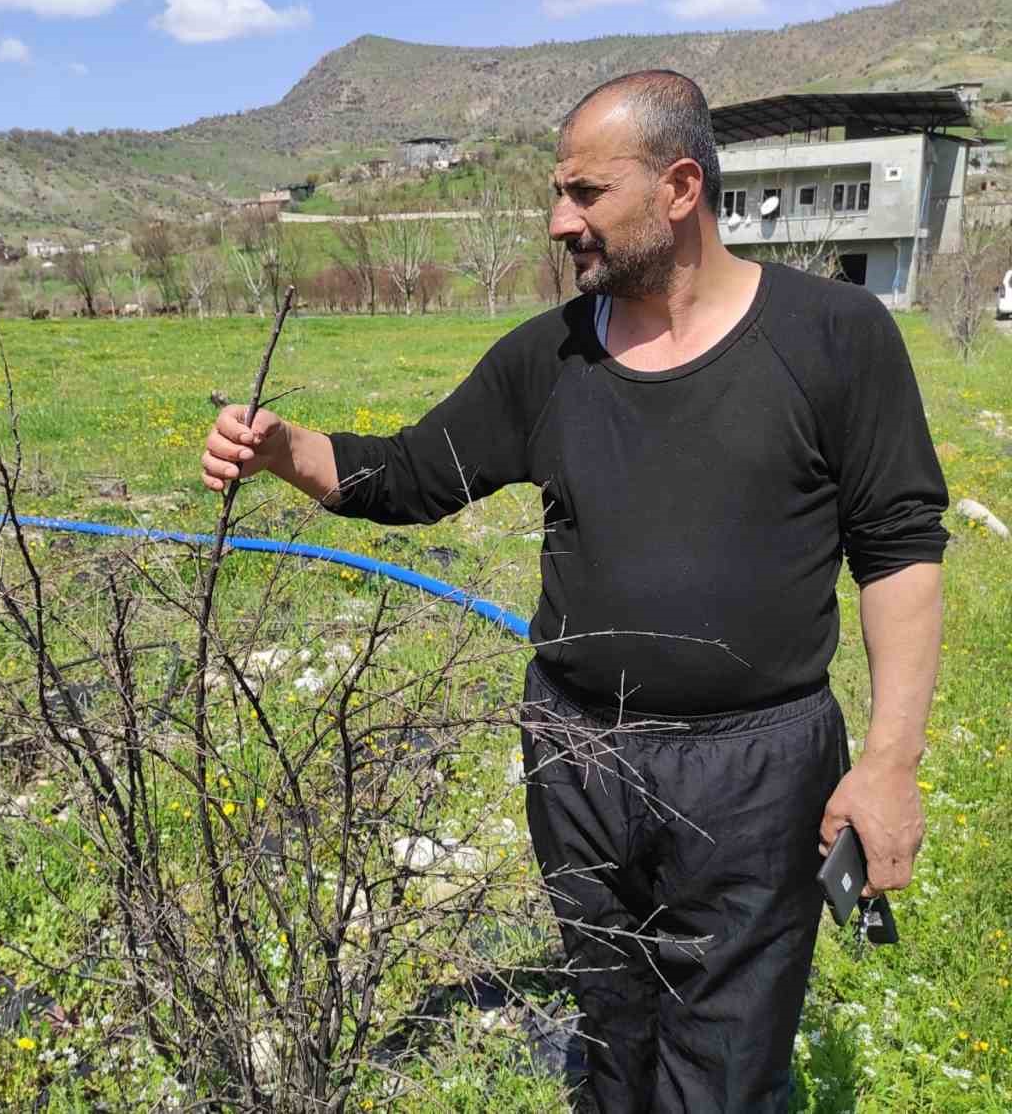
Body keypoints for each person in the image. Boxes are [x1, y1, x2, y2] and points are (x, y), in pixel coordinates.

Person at [199, 70, 947, 1113]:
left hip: (755, 773)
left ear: (678, 188)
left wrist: (889, 763)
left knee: (728, 1069)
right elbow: (411, 476)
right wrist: (283, 448)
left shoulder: (834, 336)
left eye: (586, 193)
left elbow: (900, 550)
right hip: (578, 757)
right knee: (611, 1036)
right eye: (558, 193)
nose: (559, 221)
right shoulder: (548, 357)